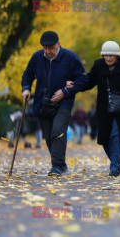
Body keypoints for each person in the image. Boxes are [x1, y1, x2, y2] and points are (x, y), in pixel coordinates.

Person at [68, 41, 120, 177]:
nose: (108, 58)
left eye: (111, 55)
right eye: (106, 55)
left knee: (117, 135)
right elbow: (90, 81)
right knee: (104, 138)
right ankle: (116, 161)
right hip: (104, 108)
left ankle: (114, 167)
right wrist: (75, 85)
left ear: (117, 56)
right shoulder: (99, 65)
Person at [21, 30, 88, 176]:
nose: (47, 51)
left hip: (64, 103)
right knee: (48, 135)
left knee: (58, 132)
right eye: (45, 48)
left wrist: (65, 92)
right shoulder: (37, 57)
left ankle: (56, 166)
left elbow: (83, 80)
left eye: (51, 48)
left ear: (58, 44)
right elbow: (27, 74)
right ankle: (61, 164)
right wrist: (26, 89)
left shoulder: (70, 58)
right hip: (42, 103)